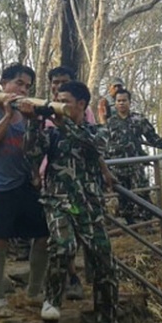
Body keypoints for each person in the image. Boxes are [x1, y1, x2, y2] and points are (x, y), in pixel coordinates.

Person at [25, 80, 134, 323]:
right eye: (57, 100)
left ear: (81, 105)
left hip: (90, 206)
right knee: (63, 246)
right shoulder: (52, 134)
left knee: (104, 261)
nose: (60, 106)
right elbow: (31, 152)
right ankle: (51, 299)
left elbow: (95, 146)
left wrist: (63, 123)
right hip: (58, 201)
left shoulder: (98, 131)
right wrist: (33, 122)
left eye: (66, 102)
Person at [0, 63, 49, 318]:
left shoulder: (27, 114)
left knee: (44, 234)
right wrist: (6, 115)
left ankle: (34, 291)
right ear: (4, 83)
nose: (23, 89)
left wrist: (32, 122)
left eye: (27, 86)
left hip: (23, 182)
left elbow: (34, 149)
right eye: (19, 83)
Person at [42, 65, 94, 300]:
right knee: (56, 237)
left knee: (72, 237)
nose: (58, 86)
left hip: (78, 184)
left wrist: (104, 172)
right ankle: (52, 289)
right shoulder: (43, 110)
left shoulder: (85, 113)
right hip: (49, 182)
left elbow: (92, 144)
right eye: (55, 82)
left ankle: (71, 277)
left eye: (63, 82)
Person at [106, 89, 162, 225]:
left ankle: (147, 223)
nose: (121, 103)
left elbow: (152, 137)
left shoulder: (138, 119)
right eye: (118, 101)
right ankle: (130, 226)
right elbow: (104, 142)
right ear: (115, 103)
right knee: (122, 197)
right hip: (117, 166)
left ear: (129, 102)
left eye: (124, 100)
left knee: (142, 193)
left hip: (136, 164)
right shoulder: (110, 123)